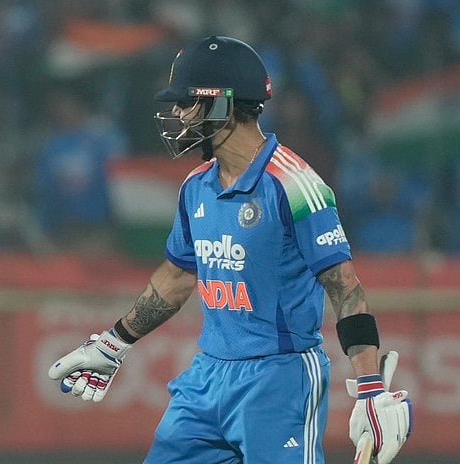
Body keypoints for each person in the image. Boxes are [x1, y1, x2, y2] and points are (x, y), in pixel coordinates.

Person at [47, 36, 412, 463]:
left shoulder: (296, 184)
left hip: (279, 380)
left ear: (220, 103)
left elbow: (346, 289)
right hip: (207, 379)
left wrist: (369, 391)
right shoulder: (195, 185)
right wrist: (115, 343)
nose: (178, 113)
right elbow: (177, 277)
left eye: (186, 101)